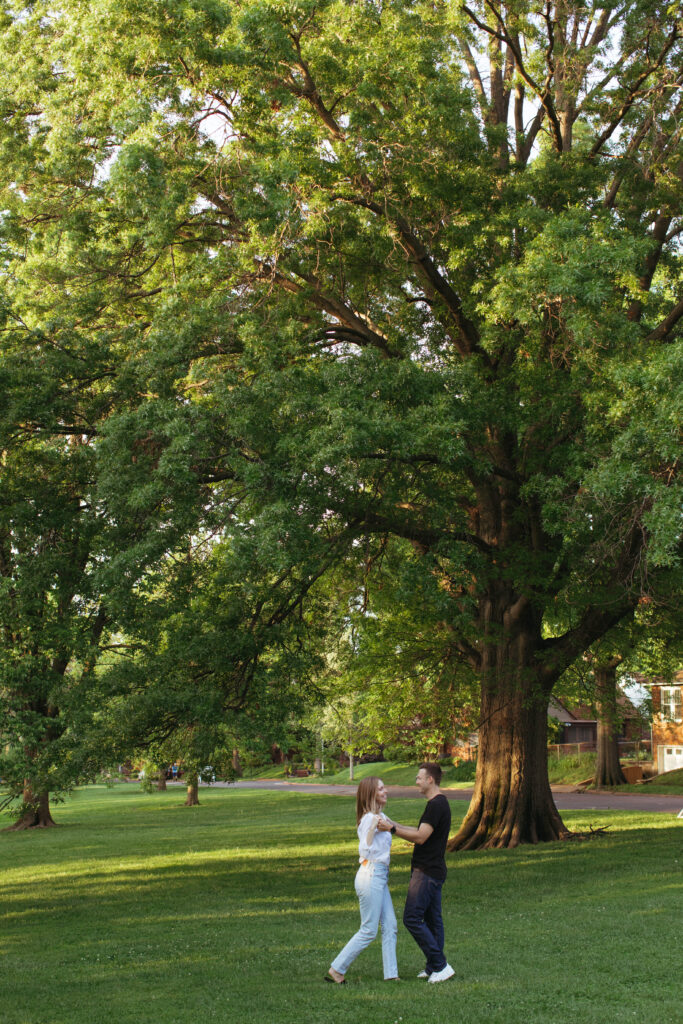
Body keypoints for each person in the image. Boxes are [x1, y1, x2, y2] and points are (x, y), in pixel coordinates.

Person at [378, 762, 454, 983]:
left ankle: (440, 965)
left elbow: (420, 837)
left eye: (419, 777)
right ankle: (434, 968)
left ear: (430, 779)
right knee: (432, 920)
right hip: (433, 870)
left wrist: (392, 829)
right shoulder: (437, 804)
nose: (417, 781)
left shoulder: (436, 805)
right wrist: (394, 823)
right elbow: (420, 831)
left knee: (412, 918)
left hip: (427, 872)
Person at [326, 776, 399, 984]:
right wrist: (372, 827)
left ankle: (391, 974)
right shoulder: (370, 819)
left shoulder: (381, 816)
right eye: (381, 789)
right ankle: (337, 969)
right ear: (371, 794)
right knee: (368, 929)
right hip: (371, 874)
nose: (386, 791)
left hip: (380, 876)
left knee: (390, 925)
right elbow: (365, 850)